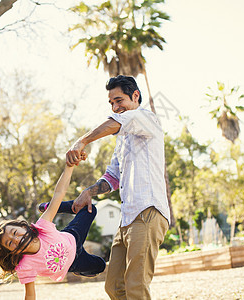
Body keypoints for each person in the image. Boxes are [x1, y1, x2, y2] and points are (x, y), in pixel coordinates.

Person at [66, 75, 170, 300]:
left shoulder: (146, 118)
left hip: (148, 212)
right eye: (111, 103)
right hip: (127, 219)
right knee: (114, 287)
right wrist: (88, 193)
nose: (115, 107)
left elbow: (116, 123)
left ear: (135, 96)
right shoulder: (123, 140)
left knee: (136, 287)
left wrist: (81, 141)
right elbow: (112, 178)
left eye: (119, 100)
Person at [0, 154, 106, 300]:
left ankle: (51, 207)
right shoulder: (25, 266)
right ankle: (83, 269)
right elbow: (30, 295)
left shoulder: (43, 227)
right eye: (10, 243)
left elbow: (59, 192)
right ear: (10, 251)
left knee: (89, 208)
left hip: (73, 236)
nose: (15, 239)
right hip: (73, 264)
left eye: (15, 233)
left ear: (23, 226)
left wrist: (68, 167)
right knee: (100, 266)